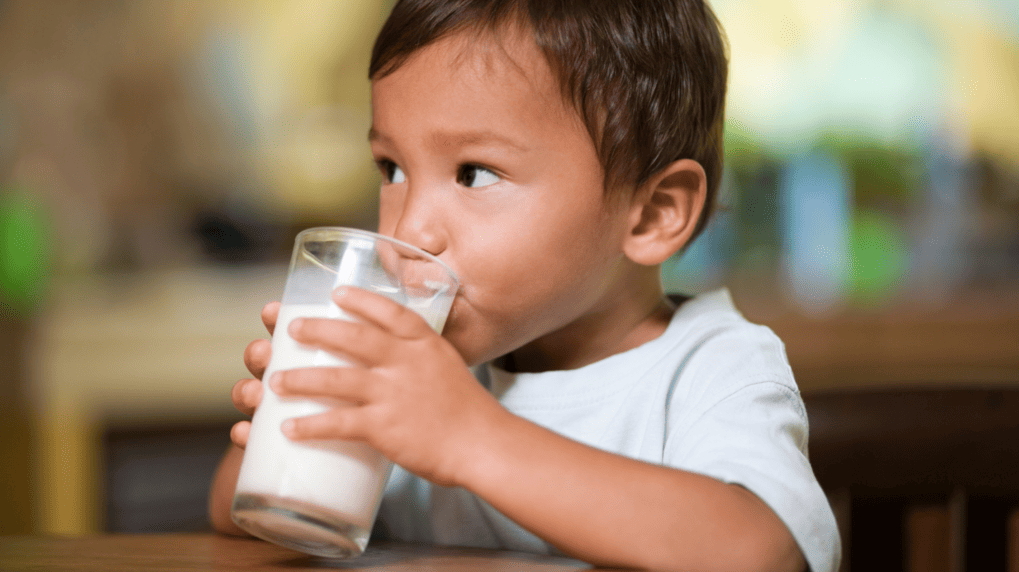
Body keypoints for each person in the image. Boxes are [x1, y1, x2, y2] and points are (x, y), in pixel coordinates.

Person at [209, 0, 841, 570]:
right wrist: (297, 417)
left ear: (651, 214)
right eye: (392, 167)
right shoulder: (421, 376)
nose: (412, 227)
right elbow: (243, 521)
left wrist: (469, 436)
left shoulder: (710, 368)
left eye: (475, 173)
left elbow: (758, 551)